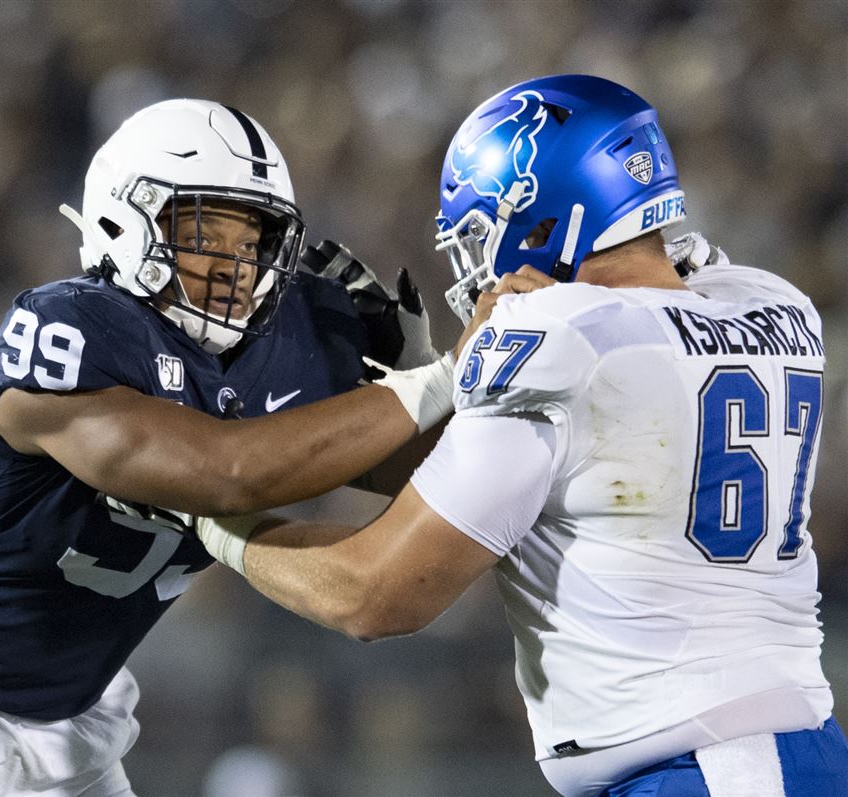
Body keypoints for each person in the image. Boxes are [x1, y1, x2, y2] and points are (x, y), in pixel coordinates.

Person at [0, 98, 458, 796]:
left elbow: (431, 477)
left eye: (251, 241)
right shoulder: (70, 326)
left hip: (69, 721)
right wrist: (439, 382)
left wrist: (420, 386)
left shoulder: (290, 343)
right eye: (204, 231)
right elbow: (225, 473)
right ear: (120, 219)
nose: (233, 265)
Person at [193, 75, 847, 796]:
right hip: (773, 752)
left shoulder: (559, 335)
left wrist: (220, 526)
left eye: (481, 232)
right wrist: (428, 382)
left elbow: (374, 594)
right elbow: (587, 442)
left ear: (542, 223)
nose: (478, 263)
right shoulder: (773, 304)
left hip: (708, 769)